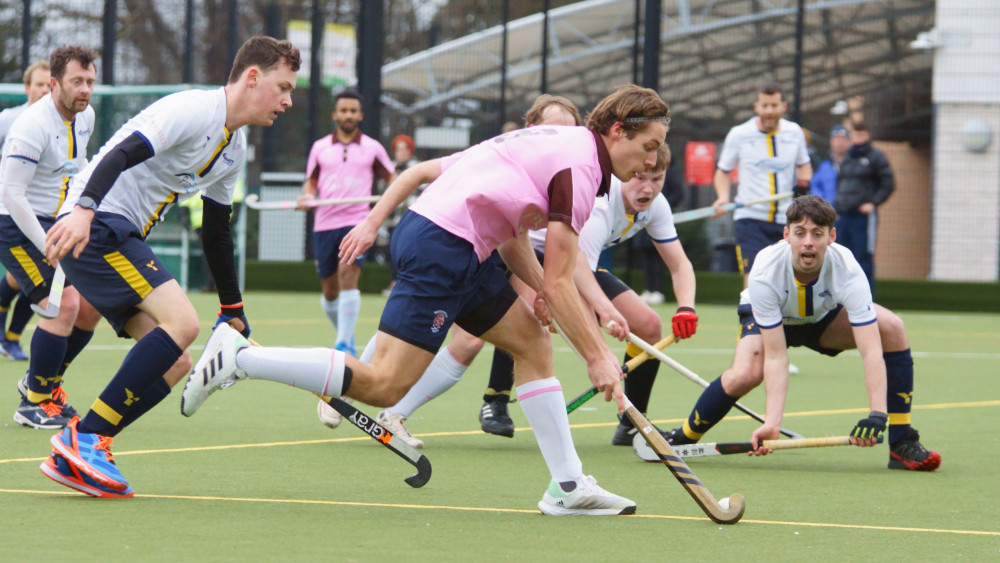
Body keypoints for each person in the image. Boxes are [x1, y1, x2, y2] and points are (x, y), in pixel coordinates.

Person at [184, 84, 671, 516]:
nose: (651, 162)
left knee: (531, 341)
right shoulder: (581, 167)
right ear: (615, 131)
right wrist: (597, 357)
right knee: (383, 386)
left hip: (458, 243)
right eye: (648, 147)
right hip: (445, 245)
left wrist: (540, 289)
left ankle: (567, 487)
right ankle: (243, 357)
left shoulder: (555, 144)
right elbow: (565, 282)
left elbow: (512, 233)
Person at [38, 36, 300, 498]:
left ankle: (80, 451)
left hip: (115, 231)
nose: (288, 100)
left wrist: (233, 309)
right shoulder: (194, 110)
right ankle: (84, 438)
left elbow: (216, 231)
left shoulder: (234, 147)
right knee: (182, 322)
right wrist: (83, 209)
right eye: (282, 86)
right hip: (98, 221)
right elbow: (119, 152)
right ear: (253, 77)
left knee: (176, 361)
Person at [317, 94, 585, 447]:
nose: (559, 139)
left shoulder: (558, 178)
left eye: (567, 133)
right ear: (531, 130)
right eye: (550, 129)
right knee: (404, 360)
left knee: (519, 340)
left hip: (481, 258)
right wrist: (370, 223)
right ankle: (336, 379)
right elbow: (415, 173)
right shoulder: (499, 156)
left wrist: (543, 291)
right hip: (446, 248)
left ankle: (392, 412)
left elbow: (515, 242)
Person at [664, 196, 939, 472]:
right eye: (800, 233)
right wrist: (773, 422)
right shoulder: (765, 271)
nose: (808, 242)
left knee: (891, 327)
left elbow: (871, 350)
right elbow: (776, 357)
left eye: (817, 234)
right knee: (746, 373)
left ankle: (901, 443)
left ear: (831, 236)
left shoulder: (847, 268)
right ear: (787, 236)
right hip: (771, 320)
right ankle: (683, 438)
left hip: (822, 319)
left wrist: (877, 414)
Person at [1, 46, 102, 429]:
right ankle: (33, 404)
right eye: (77, 81)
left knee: (90, 307)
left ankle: (44, 385)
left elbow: (80, 167)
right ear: (55, 83)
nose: (85, 90)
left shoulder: (86, 116)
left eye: (90, 81)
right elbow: (12, 194)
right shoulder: (31, 125)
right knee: (62, 306)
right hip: (15, 224)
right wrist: (48, 243)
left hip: (57, 222)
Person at [297, 89, 396, 357]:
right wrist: (307, 196)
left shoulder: (372, 148)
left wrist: (393, 200)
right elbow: (311, 181)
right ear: (335, 115)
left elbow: (393, 179)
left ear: (360, 115)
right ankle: (346, 334)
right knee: (330, 291)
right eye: (343, 110)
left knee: (348, 276)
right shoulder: (320, 147)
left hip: (357, 222)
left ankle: (344, 346)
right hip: (324, 224)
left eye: (353, 111)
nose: (348, 115)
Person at [712, 82, 813, 286]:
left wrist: (803, 184)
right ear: (756, 107)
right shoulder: (739, 134)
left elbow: (804, 167)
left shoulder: (794, 133)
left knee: (789, 279)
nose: (769, 111)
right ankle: (751, 318)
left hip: (786, 219)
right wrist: (723, 197)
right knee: (755, 275)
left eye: (774, 105)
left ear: (783, 107)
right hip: (750, 217)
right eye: (764, 106)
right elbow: (722, 172)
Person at [0, 60, 52, 361]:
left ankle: (11, 337)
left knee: (20, 280)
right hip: (11, 214)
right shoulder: (10, 120)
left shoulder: (60, 123)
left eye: (49, 85)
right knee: (34, 281)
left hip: (45, 216)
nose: (45, 90)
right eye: (39, 84)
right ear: (27, 87)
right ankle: (10, 338)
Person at [833, 122, 894, 295]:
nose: (858, 138)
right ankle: (841, 301)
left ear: (867, 135)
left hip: (863, 218)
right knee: (841, 257)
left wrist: (873, 203)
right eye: (855, 135)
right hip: (843, 217)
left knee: (863, 258)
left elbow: (888, 184)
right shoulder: (847, 158)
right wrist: (837, 209)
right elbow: (841, 184)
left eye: (861, 135)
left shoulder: (876, 157)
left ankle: (867, 301)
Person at [380, 134, 420, 296]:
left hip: (412, 217)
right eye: (398, 149)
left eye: (404, 149)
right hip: (393, 219)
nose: (401, 153)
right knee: (393, 250)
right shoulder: (389, 169)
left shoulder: (418, 167)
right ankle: (394, 282)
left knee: (411, 250)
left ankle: (412, 283)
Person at [810, 124, 850, 204]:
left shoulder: (857, 164)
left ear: (849, 141)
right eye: (837, 138)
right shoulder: (823, 165)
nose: (840, 142)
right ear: (831, 141)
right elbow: (815, 187)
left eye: (843, 138)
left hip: (851, 213)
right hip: (828, 212)